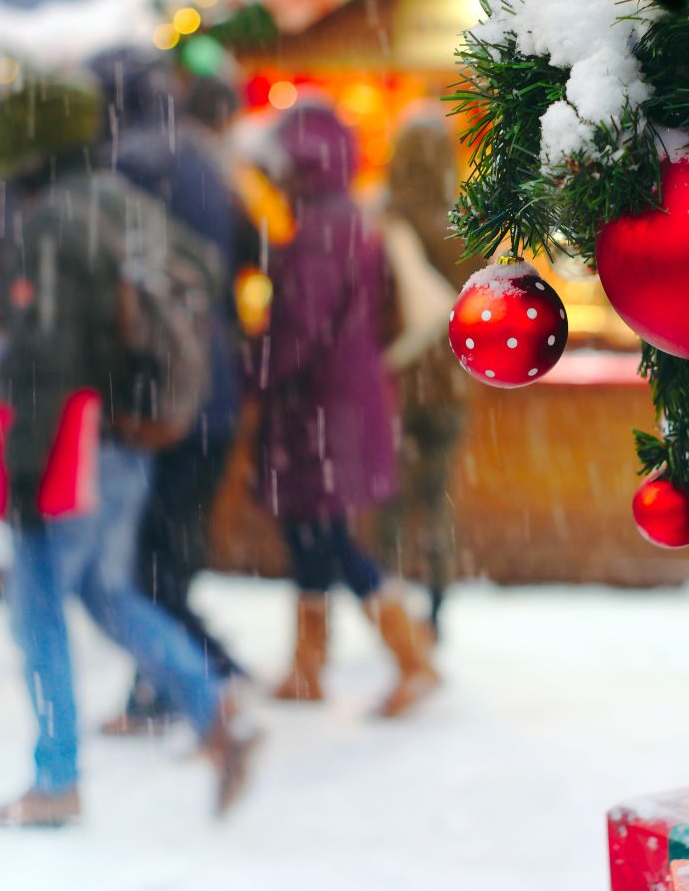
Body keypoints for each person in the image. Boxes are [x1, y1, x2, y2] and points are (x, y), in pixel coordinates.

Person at [0, 73, 256, 828]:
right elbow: (200, 272)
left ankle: (55, 780)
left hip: (70, 440)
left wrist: (25, 472)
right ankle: (215, 711)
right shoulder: (125, 203)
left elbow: (45, 357)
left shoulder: (53, 222)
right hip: (132, 437)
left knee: (36, 610)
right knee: (109, 593)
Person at [89, 51, 256, 734]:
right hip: (213, 379)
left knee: (146, 554)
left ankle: (184, 684)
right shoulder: (206, 161)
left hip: (161, 390)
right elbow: (250, 255)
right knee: (173, 545)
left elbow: (115, 289)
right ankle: (192, 675)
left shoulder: (126, 165)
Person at [257, 99, 438, 718]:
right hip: (340, 406)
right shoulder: (345, 219)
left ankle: (411, 659)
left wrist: (250, 366)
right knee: (312, 537)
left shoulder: (319, 230)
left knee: (328, 540)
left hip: (319, 413)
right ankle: (309, 666)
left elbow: (298, 331)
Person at [376, 113, 476, 641]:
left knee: (387, 502)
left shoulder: (384, 219)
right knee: (436, 500)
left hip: (390, 381)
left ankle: (389, 610)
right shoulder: (464, 224)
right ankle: (436, 606)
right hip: (448, 385)